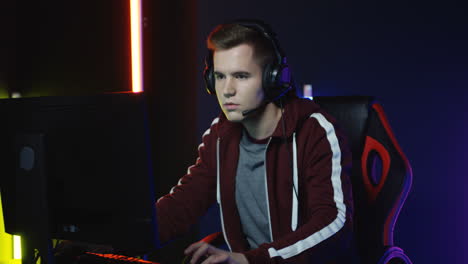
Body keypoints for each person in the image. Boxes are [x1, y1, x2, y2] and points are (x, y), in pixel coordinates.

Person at [156, 20, 354, 264]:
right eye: (219, 76)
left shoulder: (314, 132)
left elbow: (333, 225)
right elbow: (183, 205)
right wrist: (127, 233)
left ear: (273, 79)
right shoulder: (221, 136)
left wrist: (249, 260)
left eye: (241, 76)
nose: (227, 90)